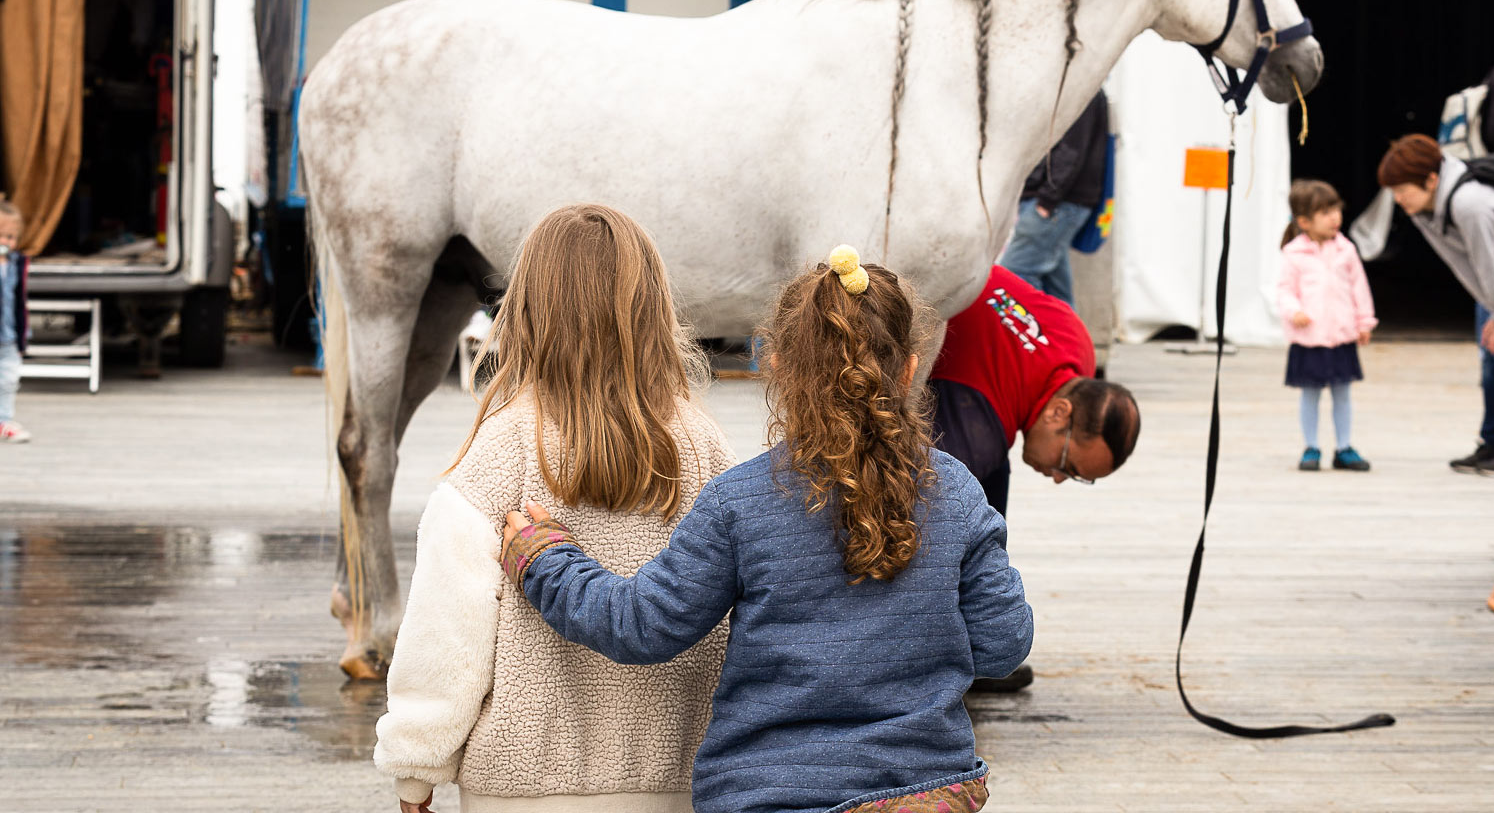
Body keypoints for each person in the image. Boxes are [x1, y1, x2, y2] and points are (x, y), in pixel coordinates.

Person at [498, 246, 1032, 813]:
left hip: (771, 794)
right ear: (909, 369)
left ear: (775, 366)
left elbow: (642, 625)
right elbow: (1003, 645)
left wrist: (545, 559)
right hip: (922, 793)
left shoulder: (739, 502)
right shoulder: (956, 491)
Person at [373, 204, 736, 813]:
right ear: (654, 309)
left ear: (526, 309)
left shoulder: (500, 451)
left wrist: (416, 765)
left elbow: (447, 631)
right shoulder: (705, 449)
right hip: (681, 777)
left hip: (523, 784)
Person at [927, 263, 1138, 692]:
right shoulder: (976, 433)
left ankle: (972, 651)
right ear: (1060, 412)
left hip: (961, 278)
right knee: (959, 514)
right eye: (1068, 465)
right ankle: (958, 661)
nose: (1058, 478)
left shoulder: (1078, 347)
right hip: (918, 295)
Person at [1378, 134, 1494, 473]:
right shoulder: (1423, 210)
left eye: (1402, 190)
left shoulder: (1469, 204)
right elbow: (1462, 265)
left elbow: (1487, 263)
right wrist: (1493, 309)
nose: (1398, 199)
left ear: (1431, 180)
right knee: (1490, 362)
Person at [1276, 179, 1376, 472]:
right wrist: (1294, 311)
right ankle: (1311, 447)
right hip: (1310, 338)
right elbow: (1284, 290)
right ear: (1304, 221)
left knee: (1343, 393)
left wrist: (1364, 321)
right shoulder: (1294, 254)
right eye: (1326, 212)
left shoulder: (1346, 250)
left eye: (1337, 210)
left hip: (1341, 335)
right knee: (1310, 394)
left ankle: (1344, 447)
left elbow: (1359, 288)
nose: (1335, 218)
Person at [1000, 89, 1110, 306]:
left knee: (1015, 276)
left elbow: (1071, 150)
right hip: (1053, 202)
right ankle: (1067, 330)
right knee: (1055, 289)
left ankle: (1037, 328)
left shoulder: (1080, 88)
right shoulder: (1068, 85)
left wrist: (1047, 201)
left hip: (1056, 203)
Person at [0, 198, 30, 444]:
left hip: (8, 336)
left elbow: (20, 302)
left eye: (11, 237)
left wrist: (22, 337)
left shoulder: (17, 264)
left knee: (8, 380)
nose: (5, 242)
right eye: (0, 236)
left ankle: (4, 420)